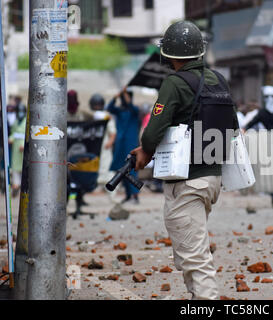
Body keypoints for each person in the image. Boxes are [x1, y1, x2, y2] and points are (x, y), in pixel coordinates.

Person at [131, 21, 239, 300]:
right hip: (213, 178)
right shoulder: (218, 80)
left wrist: (145, 149)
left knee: (195, 257)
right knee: (188, 249)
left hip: (188, 180)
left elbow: (154, 128)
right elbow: (234, 126)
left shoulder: (174, 83)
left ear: (169, 55)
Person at [107, 88, 141, 204]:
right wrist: (115, 96)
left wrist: (125, 92)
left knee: (131, 170)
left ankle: (135, 196)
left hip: (131, 145)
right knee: (121, 170)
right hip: (120, 145)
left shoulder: (134, 111)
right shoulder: (119, 111)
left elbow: (130, 104)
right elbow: (109, 108)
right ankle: (128, 195)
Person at [89, 94, 117, 193]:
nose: (97, 107)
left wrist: (110, 142)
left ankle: (111, 191)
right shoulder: (90, 115)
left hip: (104, 147)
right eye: (95, 105)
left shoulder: (106, 116)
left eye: (98, 105)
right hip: (93, 147)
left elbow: (113, 132)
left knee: (107, 169)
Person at [8, 104, 27, 197]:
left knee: (23, 167)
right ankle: (16, 185)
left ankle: (22, 185)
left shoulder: (26, 122)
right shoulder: (15, 122)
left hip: (23, 148)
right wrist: (10, 138)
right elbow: (13, 133)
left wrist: (24, 144)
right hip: (16, 148)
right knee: (15, 166)